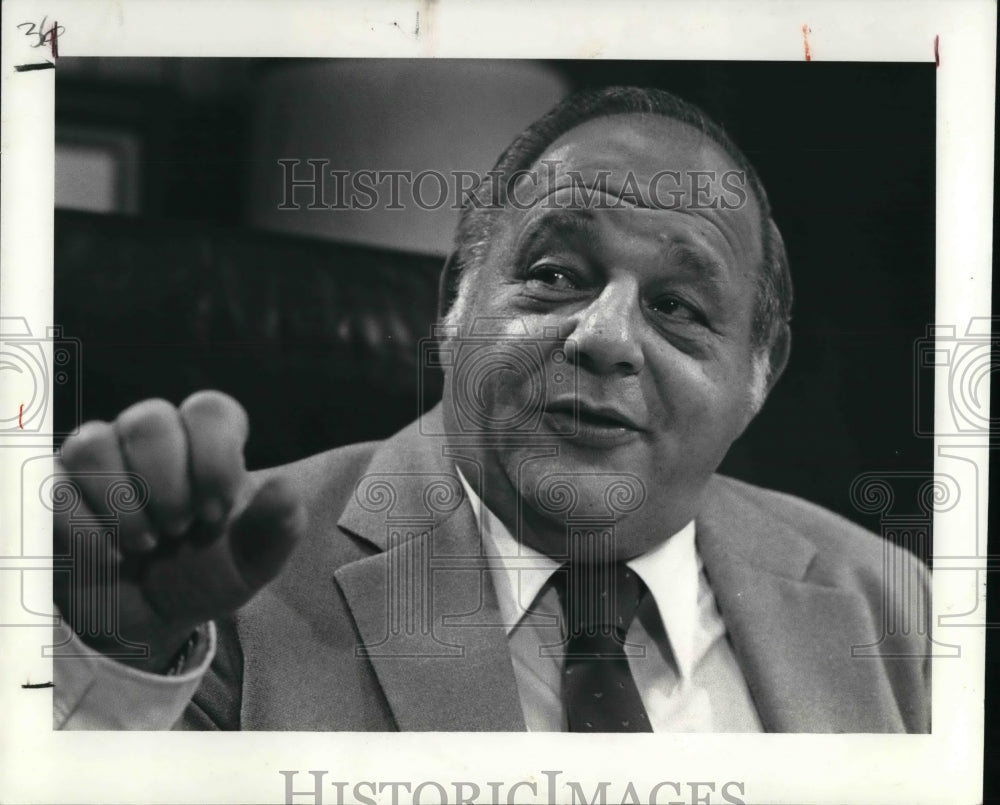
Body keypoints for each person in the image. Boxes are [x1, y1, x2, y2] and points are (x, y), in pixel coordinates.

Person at [52, 86, 930, 732]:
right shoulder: (227, 590)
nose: (606, 336)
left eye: (678, 307)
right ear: (453, 308)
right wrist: (112, 653)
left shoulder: (889, 604)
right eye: (554, 276)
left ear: (758, 377)